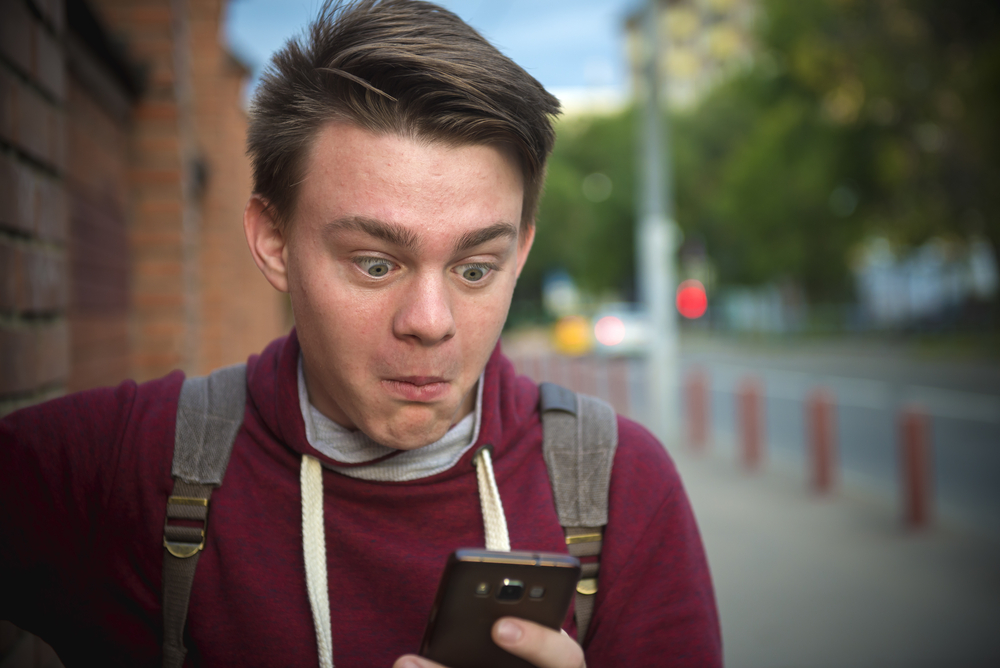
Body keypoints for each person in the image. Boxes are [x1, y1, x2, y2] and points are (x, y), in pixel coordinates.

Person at [0, 1, 722, 666]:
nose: (430, 324)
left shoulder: (617, 488)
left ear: (521, 253)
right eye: (377, 264)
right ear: (274, 242)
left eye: (476, 269)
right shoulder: (137, 464)